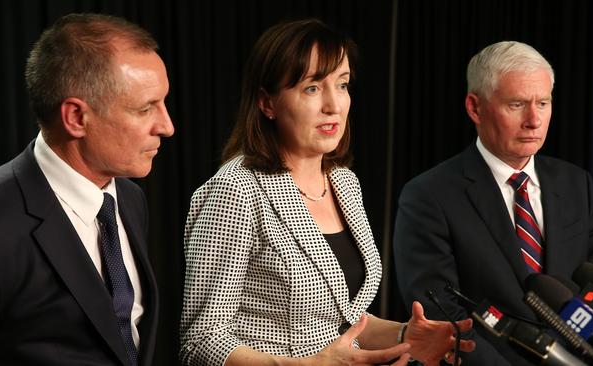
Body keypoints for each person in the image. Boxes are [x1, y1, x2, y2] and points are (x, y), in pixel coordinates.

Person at [180, 19, 475, 366]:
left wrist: (404, 336)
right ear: (267, 103)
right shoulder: (236, 189)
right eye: (312, 88)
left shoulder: (344, 182)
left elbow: (342, 322)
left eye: (343, 85)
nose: (334, 105)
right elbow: (200, 342)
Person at [393, 41, 593, 365]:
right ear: (475, 107)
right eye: (517, 104)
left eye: (544, 103)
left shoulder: (578, 184)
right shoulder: (428, 196)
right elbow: (442, 317)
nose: (534, 120)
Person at [0, 13, 174, 366]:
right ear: (76, 118)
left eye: (163, 103)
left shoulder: (130, 199)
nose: (167, 126)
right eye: (146, 108)